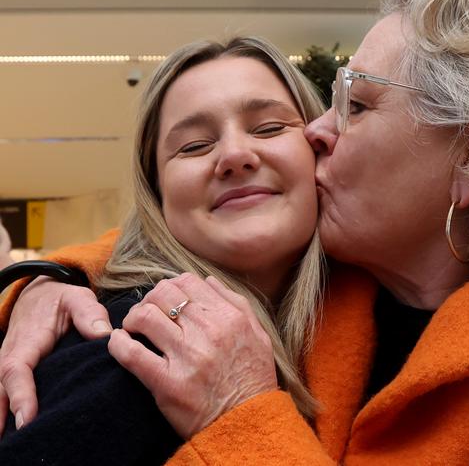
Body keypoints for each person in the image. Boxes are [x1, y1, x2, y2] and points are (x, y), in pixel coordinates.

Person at [2, 0, 469, 464]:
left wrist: (244, 417)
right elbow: (180, 239)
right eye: (193, 145)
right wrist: (46, 276)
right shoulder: (320, 278)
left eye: (358, 105)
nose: (316, 131)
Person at [0, 36, 331, 464]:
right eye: (193, 146)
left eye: (269, 127)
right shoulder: (127, 354)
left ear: (321, 148)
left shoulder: (394, 302)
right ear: (157, 197)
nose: (234, 155)